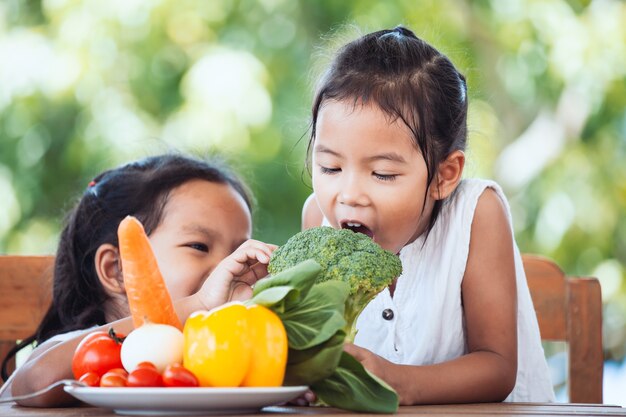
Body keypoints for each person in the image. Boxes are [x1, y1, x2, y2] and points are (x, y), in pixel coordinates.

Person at [301, 26, 555, 404]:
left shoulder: (476, 214)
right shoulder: (316, 219)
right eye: (330, 168)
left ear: (443, 175)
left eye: (382, 173)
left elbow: (497, 368)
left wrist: (396, 380)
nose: (349, 195)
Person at [0, 154, 276, 406]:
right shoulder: (83, 346)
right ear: (117, 270)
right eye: (199, 246)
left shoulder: (219, 360)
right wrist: (199, 304)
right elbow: (38, 381)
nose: (227, 268)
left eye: (239, 253)